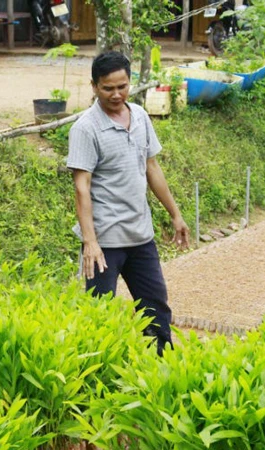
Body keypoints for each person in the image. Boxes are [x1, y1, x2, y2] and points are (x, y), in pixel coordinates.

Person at [67, 51, 189, 355]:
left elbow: (152, 168)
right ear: (94, 86)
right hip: (105, 242)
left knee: (156, 309)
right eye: (108, 88)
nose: (116, 94)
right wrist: (89, 242)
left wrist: (175, 214)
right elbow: (82, 187)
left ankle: (161, 368)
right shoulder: (86, 128)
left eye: (122, 86)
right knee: (99, 317)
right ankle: (98, 379)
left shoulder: (140, 116)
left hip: (140, 235)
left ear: (130, 82)